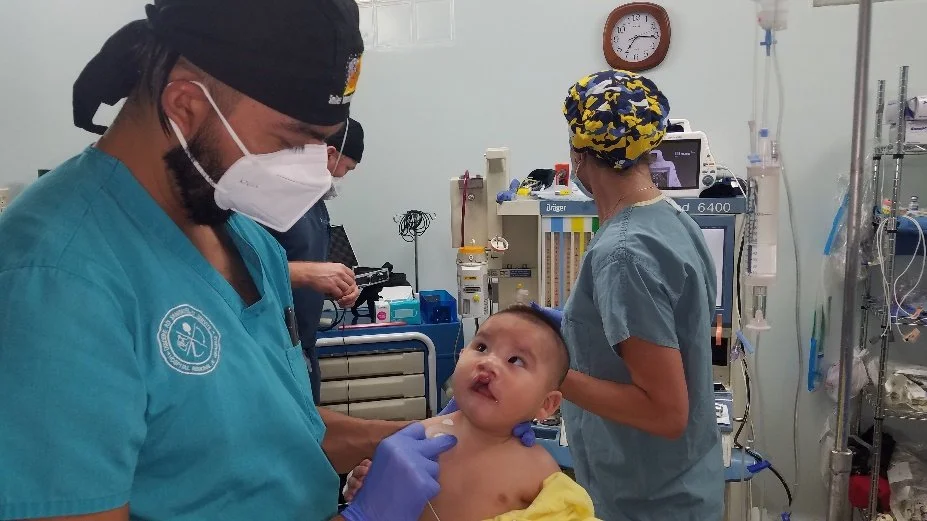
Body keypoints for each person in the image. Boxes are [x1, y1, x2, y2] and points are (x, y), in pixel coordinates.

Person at [0, 1, 456, 520]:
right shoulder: (56, 283)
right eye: (291, 141)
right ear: (185, 104)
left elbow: (278, 429)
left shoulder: (242, 236)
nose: (314, 172)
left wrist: (417, 438)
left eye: (323, 144)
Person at [533, 69, 724, 520]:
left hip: (649, 501)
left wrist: (549, 375)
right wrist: (567, 328)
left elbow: (666, 413)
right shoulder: (673, 221)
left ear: (579, 154)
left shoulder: (623, 253)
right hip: (681, 485)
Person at [345, 306, 599, 521]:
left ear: (546, 404)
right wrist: (366, 488)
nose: (488, 362)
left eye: (516, 360)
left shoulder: (538, 470)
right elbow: (385, 496)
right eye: (481, 346)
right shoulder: (418, 439)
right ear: (460, 356)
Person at [267, 118, 365, 405]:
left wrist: (337, 284)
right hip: (272, 347)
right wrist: (308, 274)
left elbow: (309, 263)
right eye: (346, 167)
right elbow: (238, 269)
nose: (343, 176)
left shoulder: (315, 204)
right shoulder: (270, 199)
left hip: (304, 343)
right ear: (329, 154)